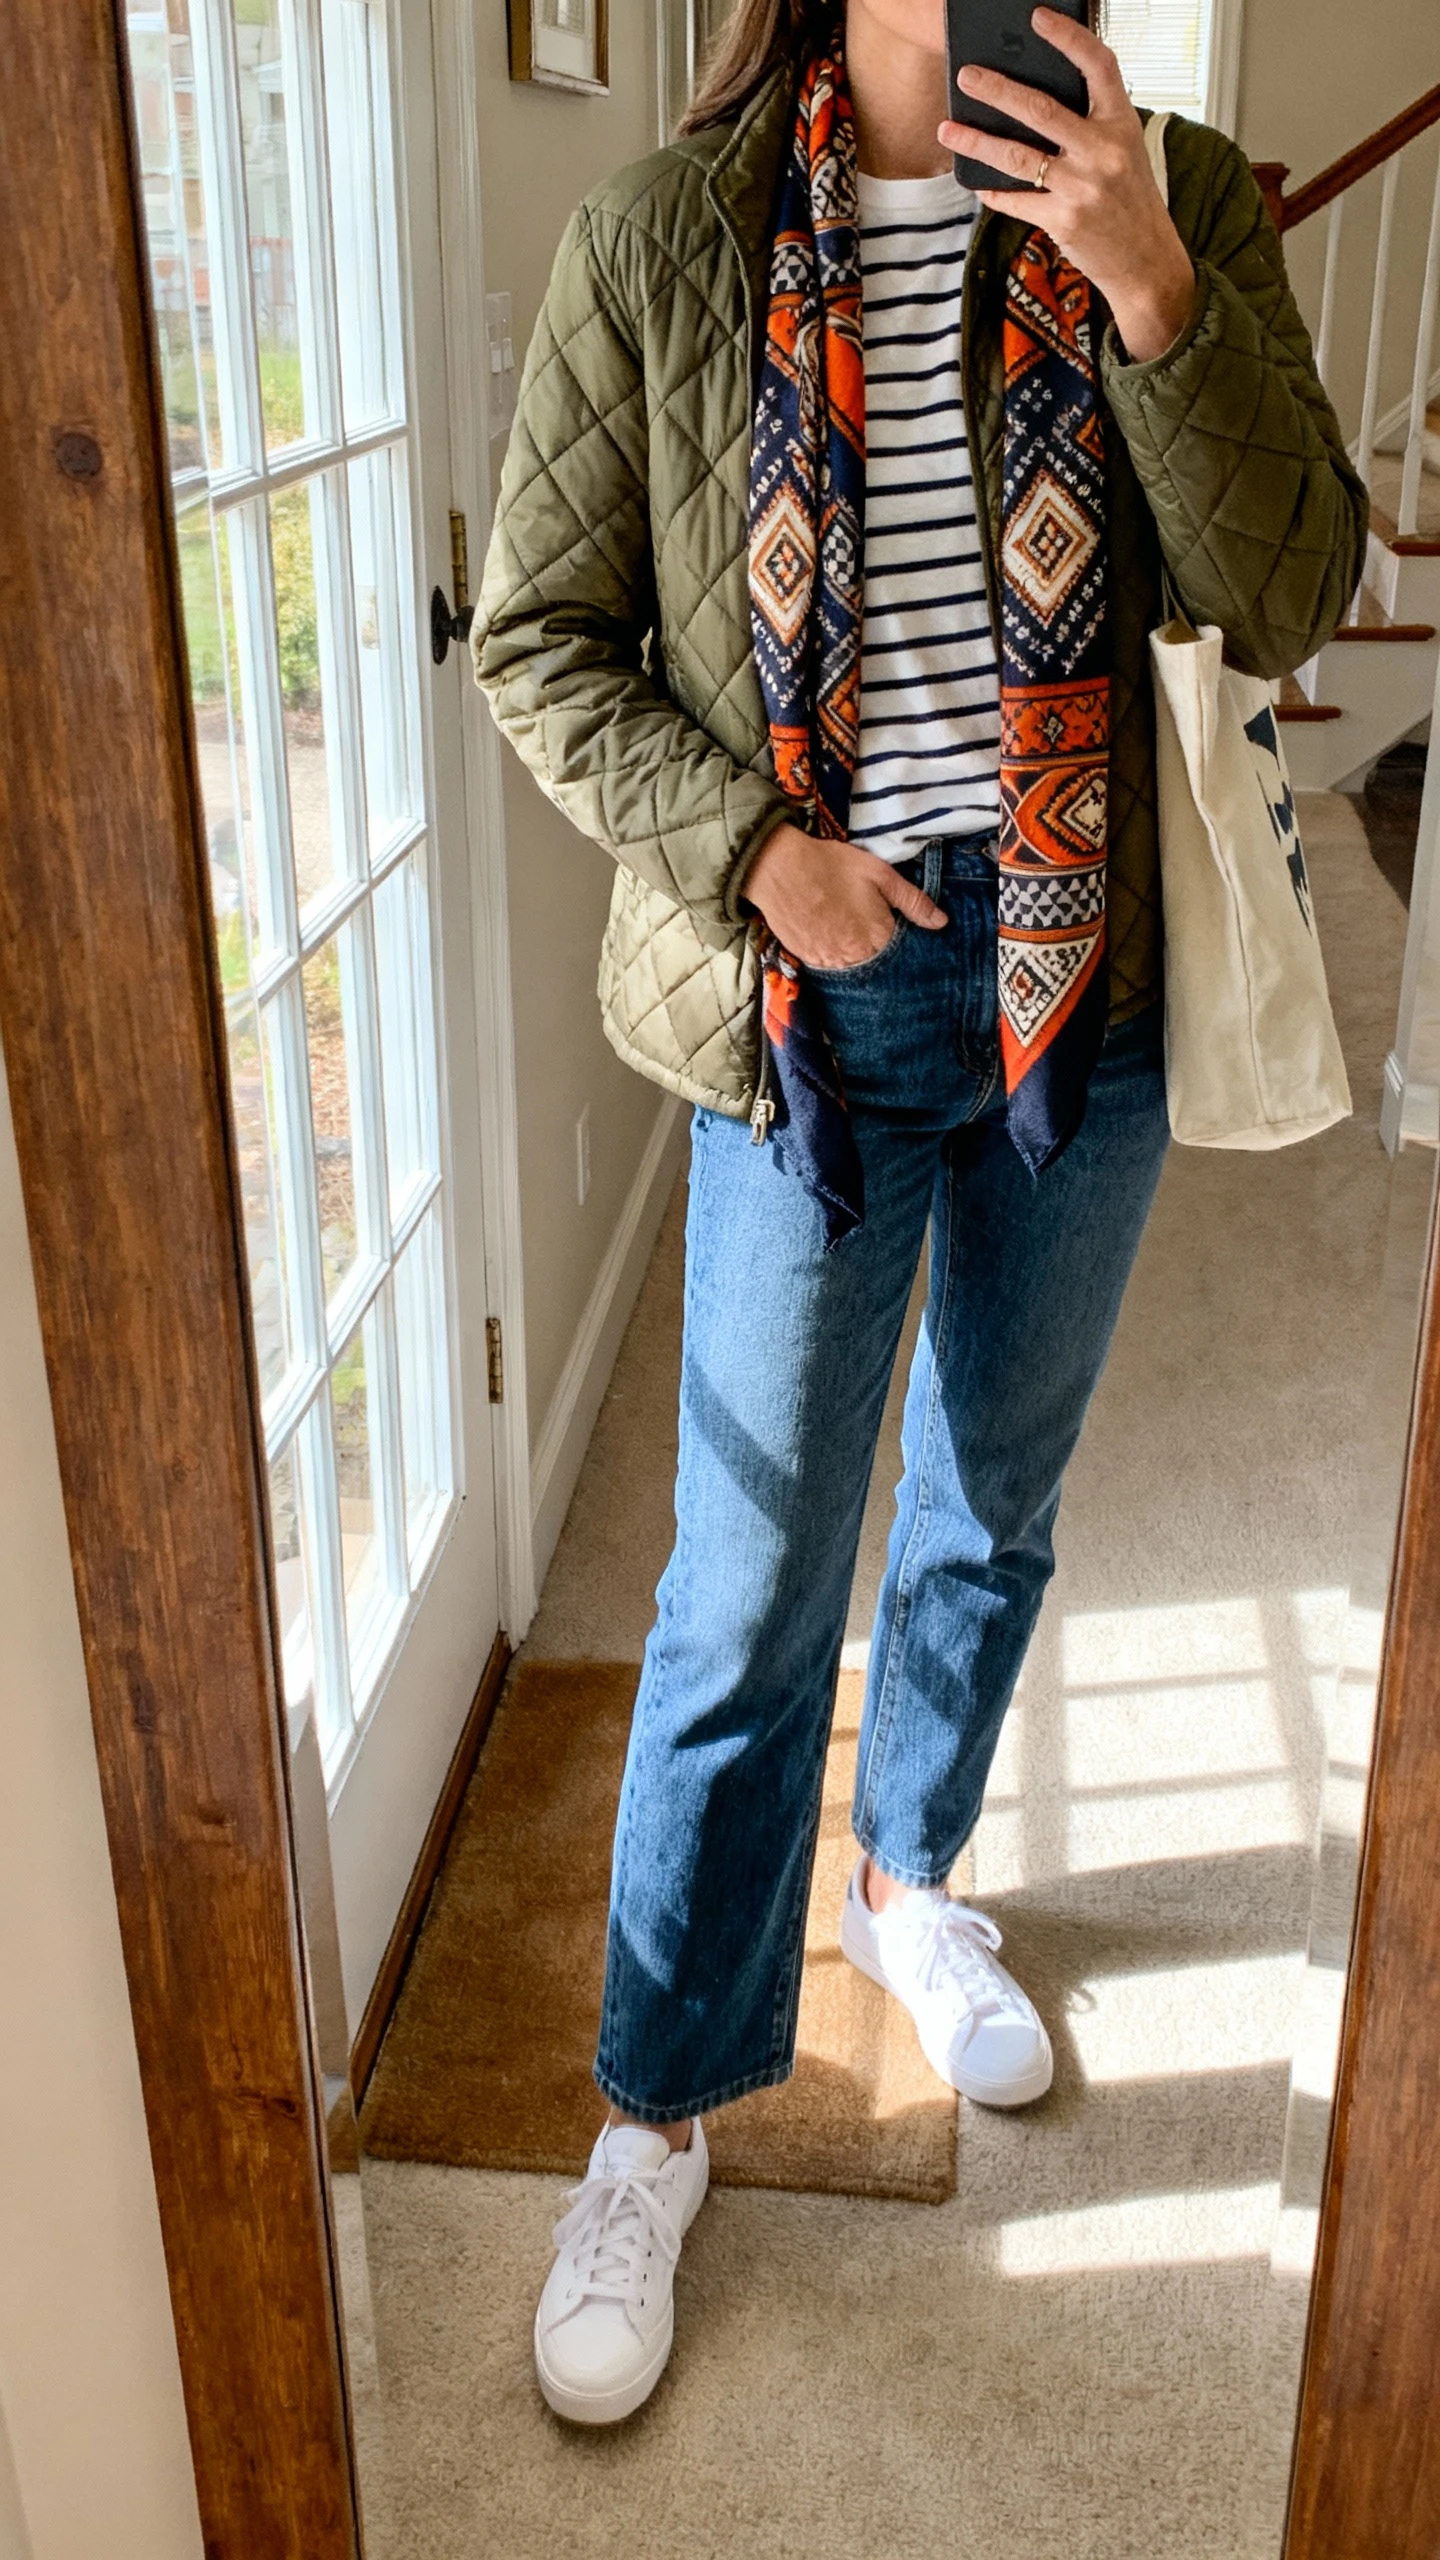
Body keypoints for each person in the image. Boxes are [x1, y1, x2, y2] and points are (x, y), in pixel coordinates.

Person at [473, 0, 1364, 2428]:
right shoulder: (665, 234)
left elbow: (1291, 599)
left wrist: (1154, 293)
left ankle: (907, 1874)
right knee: (745, 1575)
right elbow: (529, 643)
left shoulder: (1175, 187)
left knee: (994, 1497)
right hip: (811, 1000)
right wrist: (757, 850)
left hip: (1097, 982)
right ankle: (653, 2107)